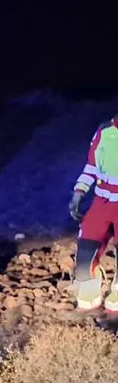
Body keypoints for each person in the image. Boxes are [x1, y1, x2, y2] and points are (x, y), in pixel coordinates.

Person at [69, 115, 118, 311]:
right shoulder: (104, 131)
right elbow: (91, 167)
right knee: (86, 248)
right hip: (101, 202)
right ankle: (89, 291)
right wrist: (79, 192)